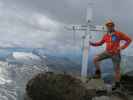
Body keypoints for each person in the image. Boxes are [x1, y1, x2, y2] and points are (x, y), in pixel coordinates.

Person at [89, 20, 132, 90]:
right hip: (107, 52)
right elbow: (100, 43)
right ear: (107, 27)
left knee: (116, 70)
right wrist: (91, 44)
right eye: (108, 26)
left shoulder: (118, 34)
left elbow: (129, 40)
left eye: (111, 25)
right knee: (95, 59)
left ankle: (117, 84)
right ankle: (98, 74)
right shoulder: (106, 36)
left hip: (115, 54)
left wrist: (122, 47)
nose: (109, 27)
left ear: (113, 26)